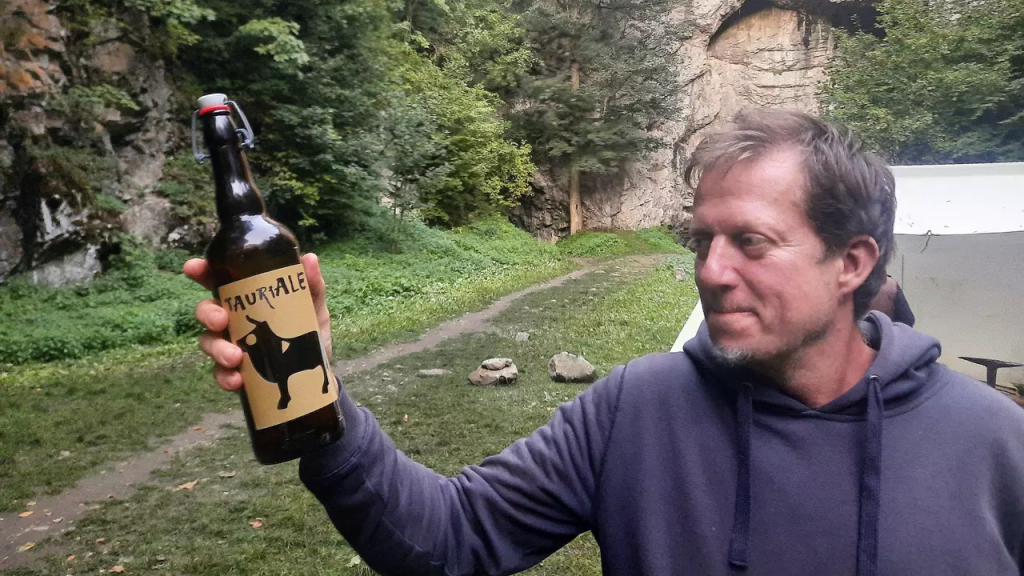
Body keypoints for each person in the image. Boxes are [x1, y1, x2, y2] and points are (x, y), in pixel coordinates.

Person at [185, 109, 1024, 575]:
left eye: (752, 242)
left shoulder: (992, 442)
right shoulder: (639, 409)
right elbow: (446, 539)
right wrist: (317, 394)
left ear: (853, 261)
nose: (711, 271)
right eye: (702, 241)